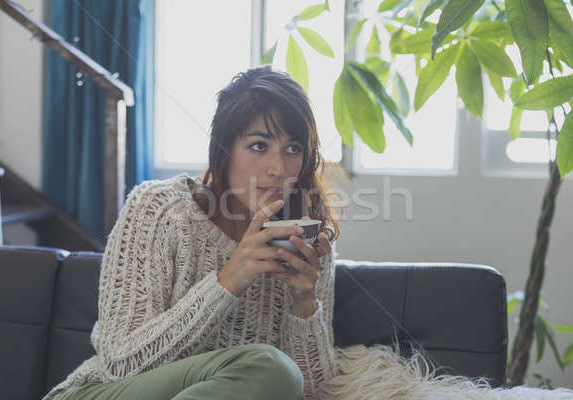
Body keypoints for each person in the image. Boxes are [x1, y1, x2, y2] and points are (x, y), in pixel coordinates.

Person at [43, 65, 573, 400]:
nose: (279, 166)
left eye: (293, 148)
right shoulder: (158, 209)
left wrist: (303, 303)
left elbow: (307, 387)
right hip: (106, 393)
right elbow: (120, 362)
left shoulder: (308, 237)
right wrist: (228, 281)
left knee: (272, 372)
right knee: (263, 365)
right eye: (258, 146)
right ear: (222, 150)